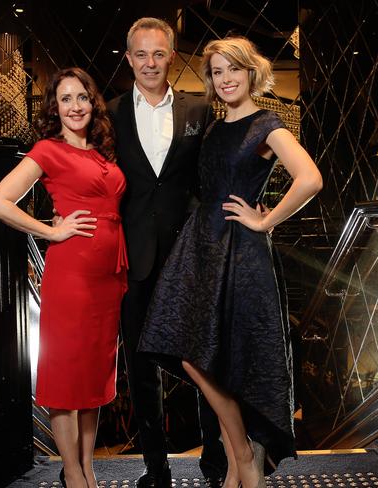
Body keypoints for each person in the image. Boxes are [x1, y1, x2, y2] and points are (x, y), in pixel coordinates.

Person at [138, 36, 323, 488]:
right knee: (199, 355)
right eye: (217, 72)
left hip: (239, 253)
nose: (225, 80)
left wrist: (267, 220)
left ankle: (243, 460)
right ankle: (240, 459)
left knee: (229, 356)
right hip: (202, 246)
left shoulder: (266, 124)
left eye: (233, 70)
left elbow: (310, 178)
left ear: (252, 73)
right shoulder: (214, 128)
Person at [0, 67, 126, 488]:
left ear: (92, 102)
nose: (75, 106)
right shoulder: (48, 150)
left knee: (95, 377)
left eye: (82, 97)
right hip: (73, 275)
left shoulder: (103, 153)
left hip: (109, 278)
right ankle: (72, 472)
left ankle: (87, 469)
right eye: (66, 99)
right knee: (67, 376)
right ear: (55, 107)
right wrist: (51, 230)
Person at [107, 17, 226, 488]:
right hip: (133, 255)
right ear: (129, 57)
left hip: (190, 252)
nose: (150, 62)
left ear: (171, 56)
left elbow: (213, 175)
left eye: (159, 53)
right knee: (141, 367)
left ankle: (215, 462)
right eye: (141, 54)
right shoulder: (110, 112)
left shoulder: (201, 109)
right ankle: (155, 468)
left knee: (203, 360)